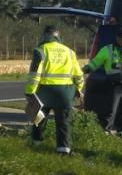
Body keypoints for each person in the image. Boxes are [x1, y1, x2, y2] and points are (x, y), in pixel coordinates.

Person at [25, 24, 85, 155]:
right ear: (58, 37)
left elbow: (35, 75)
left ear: (45, 36)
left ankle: (36, 144)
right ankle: (63, 150)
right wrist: (78, 89)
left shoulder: (40, 50)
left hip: (44, 92)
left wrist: (29, 92)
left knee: (38, 119)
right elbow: (79, 75)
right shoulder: (70, 52)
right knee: (64, 123)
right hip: (65, 93)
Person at [83, 27, 122, 136]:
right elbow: (96, 62)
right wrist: (87, 68)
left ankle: (121, 130)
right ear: (117, 38)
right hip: (115, 85)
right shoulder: (107, 50)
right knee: (111, 109)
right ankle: (106, 130)